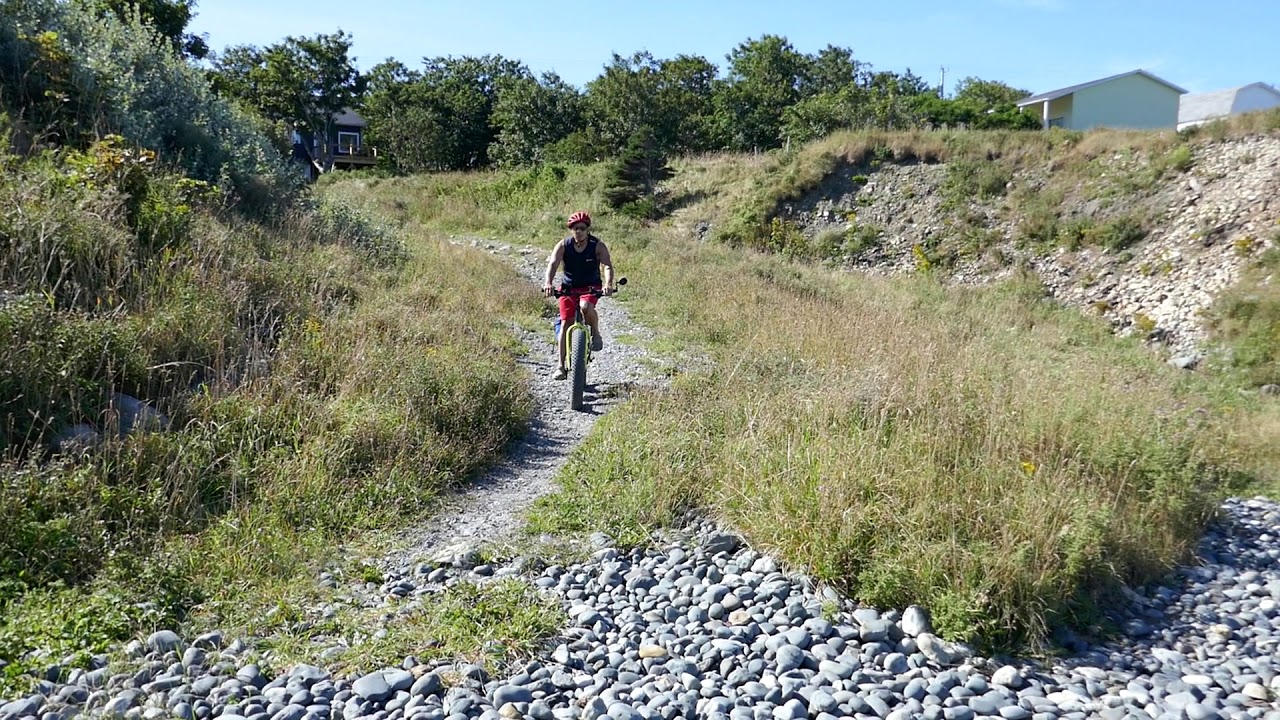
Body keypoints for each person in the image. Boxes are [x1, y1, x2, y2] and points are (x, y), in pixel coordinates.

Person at [543, 211, 616, 380]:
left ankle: (596, 333)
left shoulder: (597, 245)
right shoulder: (563, 245)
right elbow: (553, 264)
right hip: (569, 287)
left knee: (585, 307)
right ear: (571, 230)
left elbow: (606, 266)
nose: (579, 231)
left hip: (591, 286)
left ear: (587, 229)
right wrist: (548, 283)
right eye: (576, 228)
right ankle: (561, 366)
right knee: (565, 322)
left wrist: (608, 284)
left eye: (582, 228)